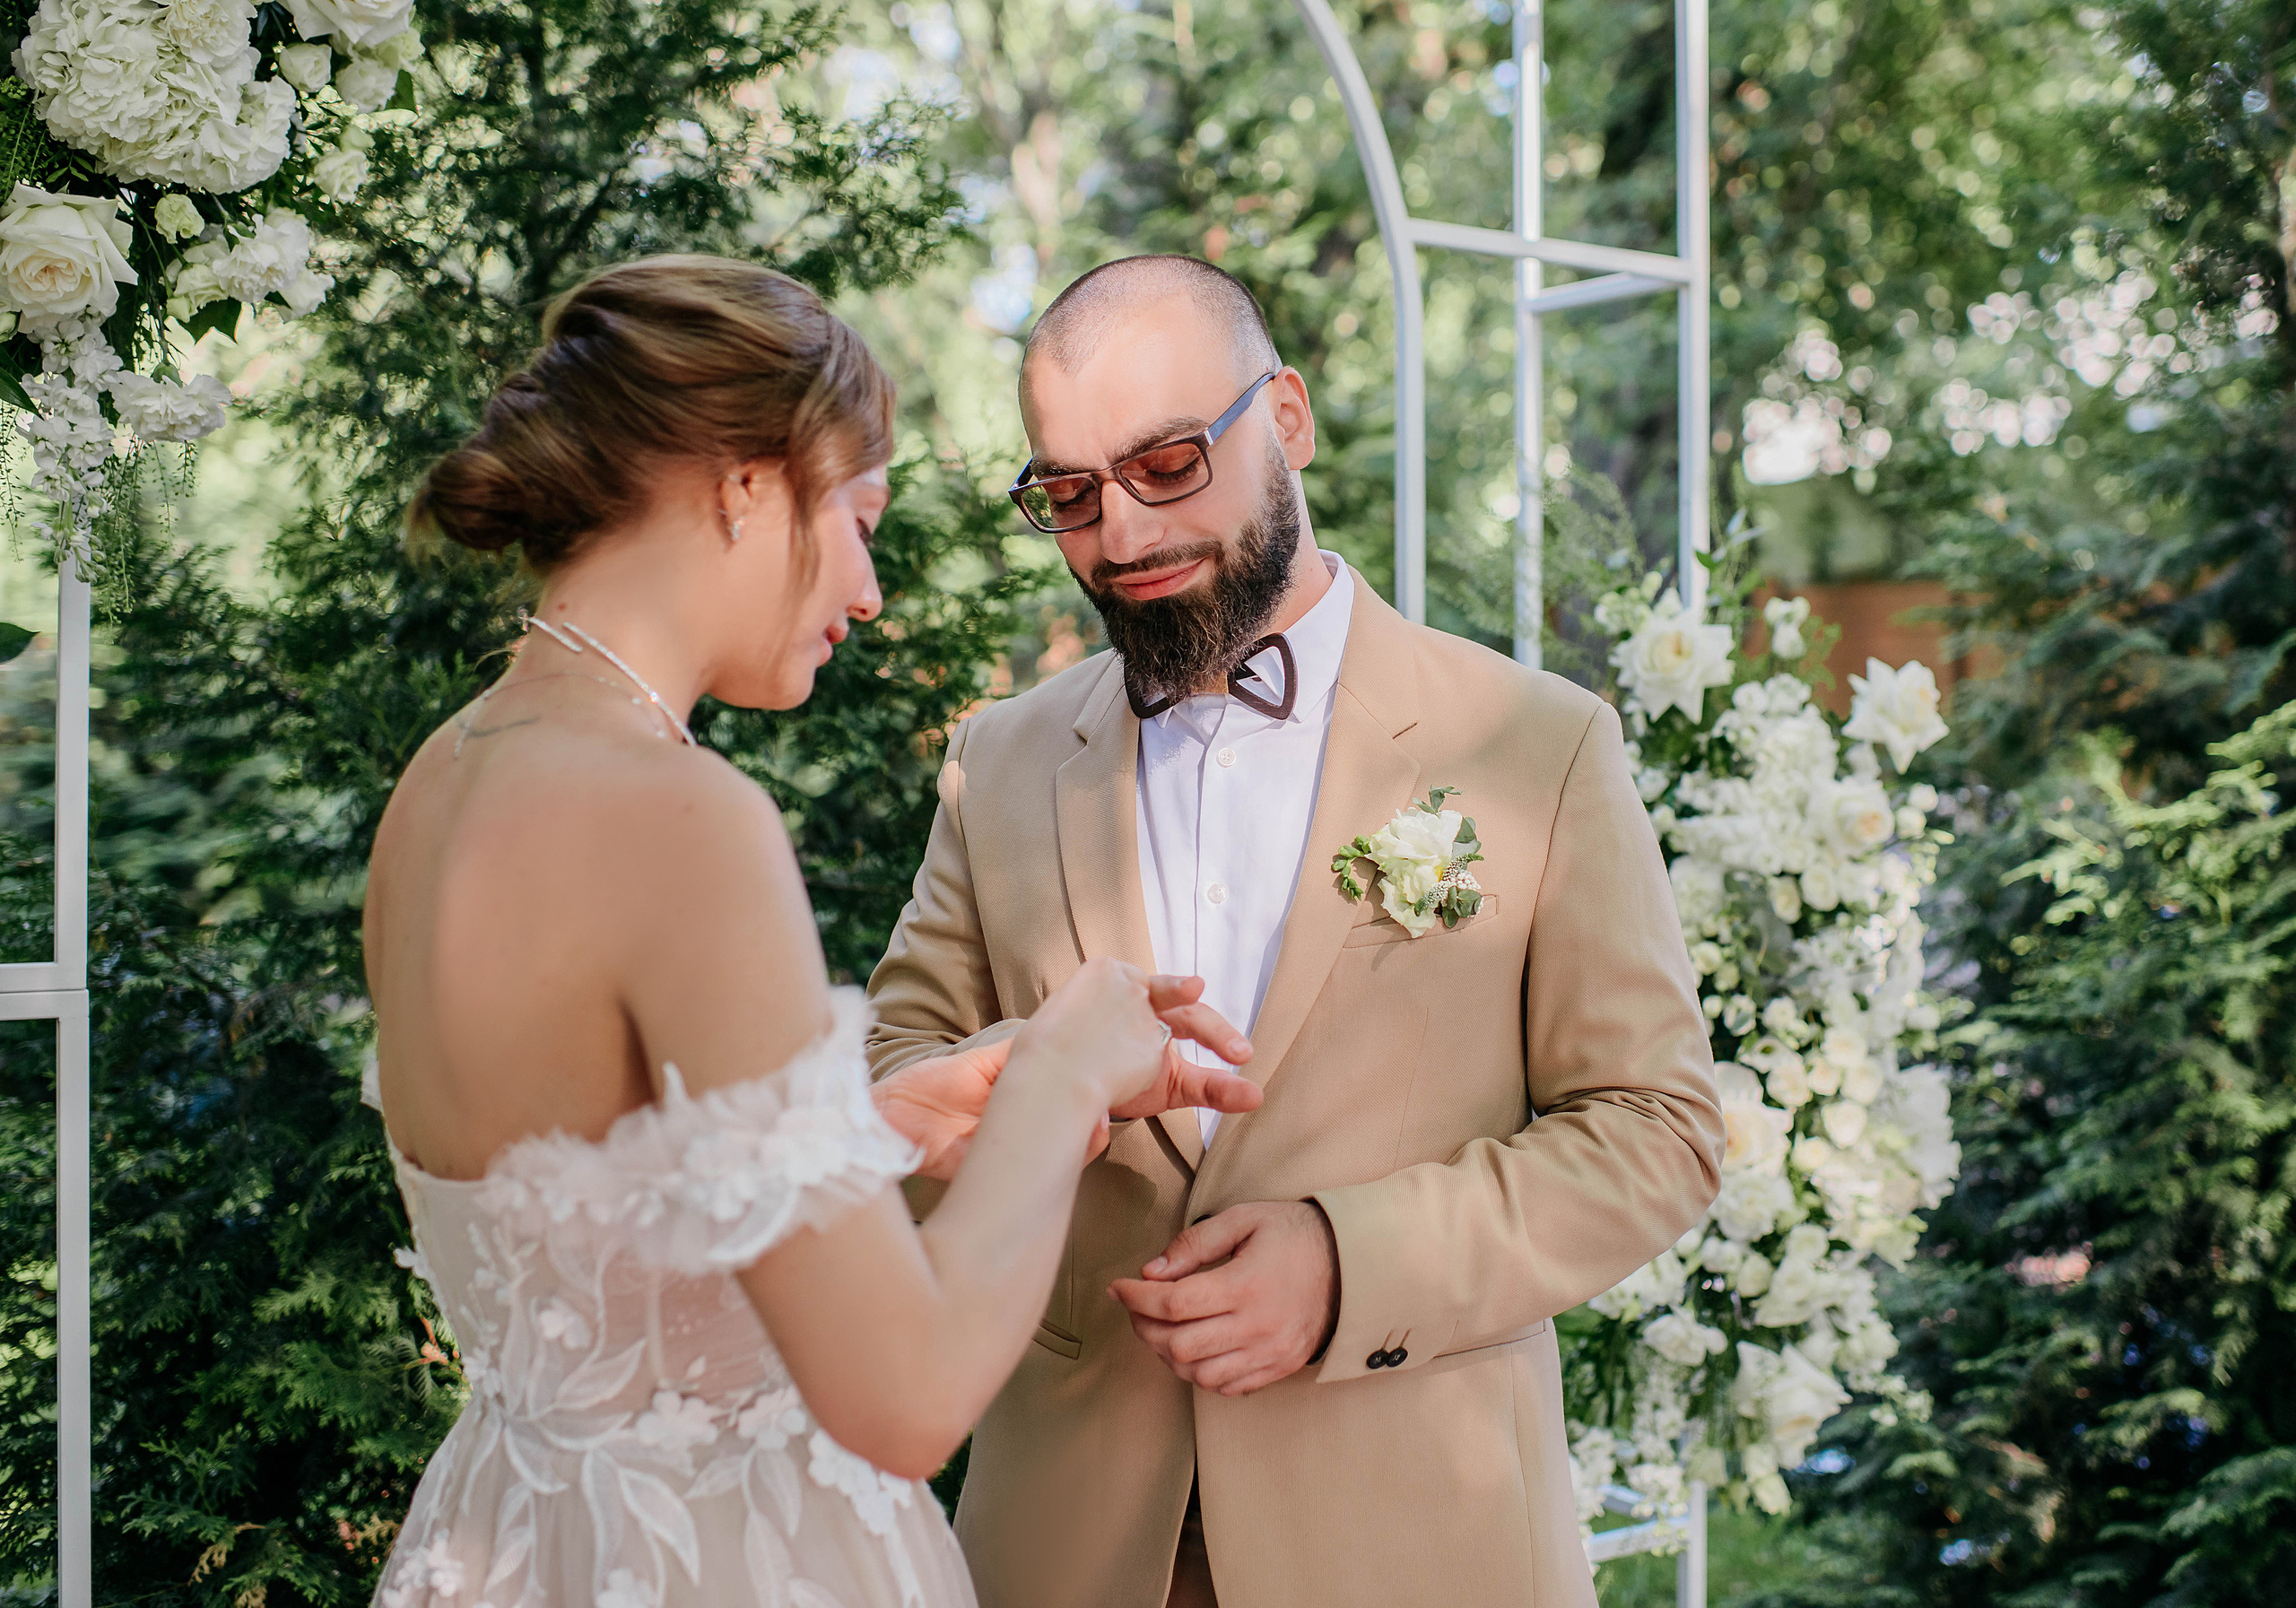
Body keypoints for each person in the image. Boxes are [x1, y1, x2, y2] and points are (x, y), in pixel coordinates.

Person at [358, 255, 1263, 1608]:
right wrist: (1066, 1073)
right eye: (857, 515)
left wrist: (873, 1131)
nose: (870, 586)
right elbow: (908, 1397)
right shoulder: (684, 820)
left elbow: (592, 1214)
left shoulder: (442, 779)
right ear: (746, 485)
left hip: (526, 1539)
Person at [865, 256, 1725, 1608]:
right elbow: (888, 1090)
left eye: (1167, 465)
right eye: (1071, 496)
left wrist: (1346, 1266)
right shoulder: (1001, 761)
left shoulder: (1539, 744)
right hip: (1067, 1552)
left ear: (1287, 417)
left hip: (1422, 1549)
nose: (1122, 535)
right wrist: (1034, 1085)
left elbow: (1658, 1129)